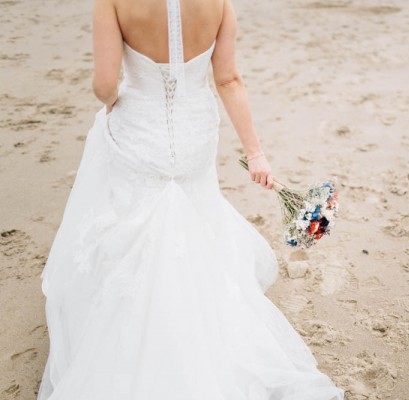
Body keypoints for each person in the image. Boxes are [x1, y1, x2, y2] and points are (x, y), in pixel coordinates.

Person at [36, 0, 345, 398]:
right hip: (195, 132)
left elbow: (104, 85)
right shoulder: (218, 3)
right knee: (194, 220)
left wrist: (115, 105)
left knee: (134, 220)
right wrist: (256, 154)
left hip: (141, 130)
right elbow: (229, 80)